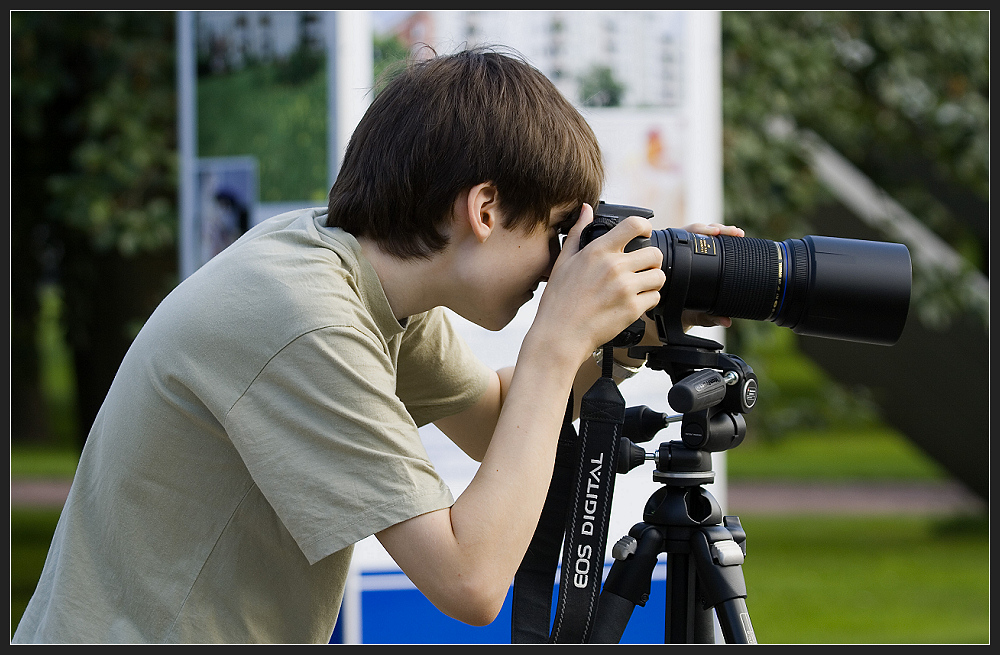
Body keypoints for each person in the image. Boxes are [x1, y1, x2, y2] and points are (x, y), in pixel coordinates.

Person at [13, 47, 743, 644]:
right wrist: (557, 343)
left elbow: (497, 420)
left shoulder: (349, 274)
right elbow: (471, 580)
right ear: (485, 209)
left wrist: (631, 331)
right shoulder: (304, 318)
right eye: (556, 234)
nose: (557, 266)